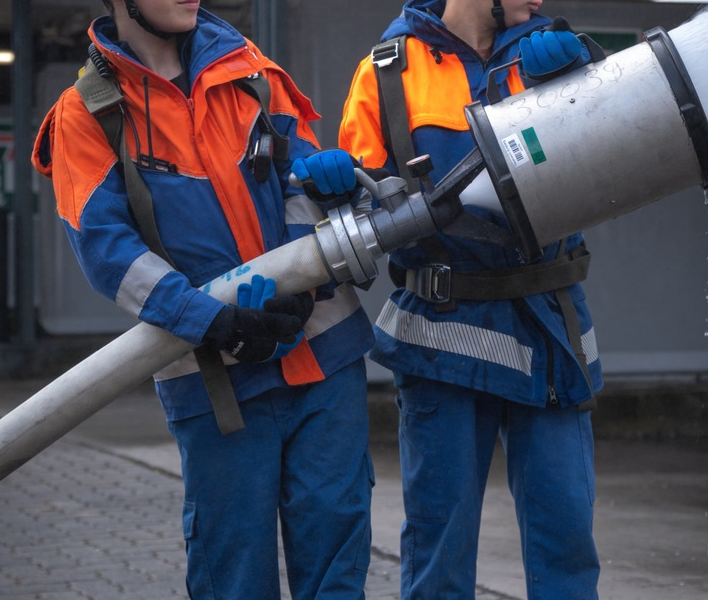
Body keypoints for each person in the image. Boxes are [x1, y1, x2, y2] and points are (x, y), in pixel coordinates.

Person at [31, 1, 375, 598]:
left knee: (337, 570)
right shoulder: (86, 114)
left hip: (324, 358)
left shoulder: (251, 71)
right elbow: (110, 254)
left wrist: (303, 281)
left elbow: (300, 179)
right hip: (217, 383)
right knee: (234, 573)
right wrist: (216, 322)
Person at [335, 1, 604, 598]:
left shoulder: (551, 57)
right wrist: (337, 185)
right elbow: (362, 206)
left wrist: (587, 76)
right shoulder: (387, 73)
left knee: (566, 541)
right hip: (445, 343)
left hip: (550, 335)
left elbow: (621, 153)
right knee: (441, 551)